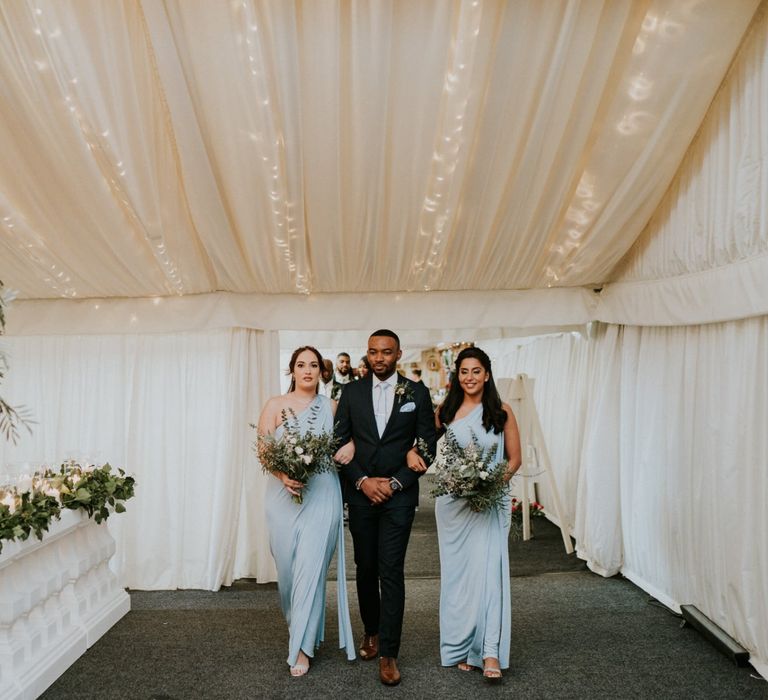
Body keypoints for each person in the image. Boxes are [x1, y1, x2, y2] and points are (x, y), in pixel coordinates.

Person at [334, 330, 437, 686]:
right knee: (366, 567)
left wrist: (393, 483)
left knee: (390, 570)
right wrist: (362, 481)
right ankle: (372, 631)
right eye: (374, 352)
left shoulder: (417, 392)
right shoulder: (351, 392)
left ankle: (390, 652)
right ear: (367, 354)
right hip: (361, 493)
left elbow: (426, 444)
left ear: (398, 354)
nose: (380, 358)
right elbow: (338, 440)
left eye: (387, 352)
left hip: (399, 496)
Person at [257, 346, 356, 676]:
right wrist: (283, 475)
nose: (308, 370)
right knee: (287, 572)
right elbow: (263, 450)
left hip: (323, 494)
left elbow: (353, 438)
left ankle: (300, 646)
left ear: (322, 371)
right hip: (282, 496)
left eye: (314, 365)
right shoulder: (274, 405)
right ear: (292, 370)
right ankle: (297, 622)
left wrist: (352, 444)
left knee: (310, 571)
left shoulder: (333, 406)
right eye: (301, 365)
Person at [434, 346, 521, 682]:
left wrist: (488, 487)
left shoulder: (502, 411)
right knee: (460, 579)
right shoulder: (446, 410)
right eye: (464, 372)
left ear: (487, 374)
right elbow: (424, 446)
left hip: (489, 503)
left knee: (489, 574)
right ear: (457, 375)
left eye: (476, 371)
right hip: (453, 506)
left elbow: (514, 460)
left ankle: (489, 651)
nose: (469, 378)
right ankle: (462, 647)